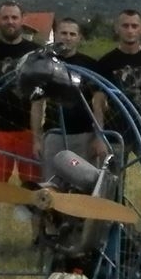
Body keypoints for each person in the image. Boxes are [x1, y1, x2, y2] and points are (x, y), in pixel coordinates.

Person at [0, 0, 40, 249]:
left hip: (27, 130)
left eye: (14, 17)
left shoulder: (35, 52)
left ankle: (37, 235)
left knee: (33, 184)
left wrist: (38, 133)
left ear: (23, 19)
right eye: (5, 18)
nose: (10, 22)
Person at [32, 18, 101, 174]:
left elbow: (98, 104)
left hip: (84, 135)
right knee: (52, 182)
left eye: (72, 34)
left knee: (84, 181)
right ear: (55, 35)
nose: (68, 38)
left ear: (79, 37)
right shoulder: (45, 64)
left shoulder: (90, 65)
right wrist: (37, 139)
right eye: (63, 33)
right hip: (54, 134)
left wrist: (98, 137)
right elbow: (37, 104)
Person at [92, 9, 141, 149]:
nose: (130, 30)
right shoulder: (105, 62)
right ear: (117, 28)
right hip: (116, 132)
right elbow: (98, 103)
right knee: (115, 165)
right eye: (125, 26)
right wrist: (99, 136)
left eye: (134, 26)